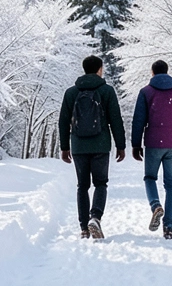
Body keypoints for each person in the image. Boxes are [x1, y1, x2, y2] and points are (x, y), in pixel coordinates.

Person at [58, 55, 125, 240]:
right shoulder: (107, 91)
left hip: (78, 145)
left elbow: (63, 122)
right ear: (99, 69)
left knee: (82, 186)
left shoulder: (71, 92)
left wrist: (64, 147)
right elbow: (115, 120)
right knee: (101, 183)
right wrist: (121, 146)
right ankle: (95, 217)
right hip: (101, 144)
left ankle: (83, 228)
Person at [130, 59, 172, 240]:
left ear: (152, 73)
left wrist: (136, 144)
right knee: (171, 184)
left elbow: (138, 120)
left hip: (153, 143)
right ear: (167, 72)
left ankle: (156, 205)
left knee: (150, 178)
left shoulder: (145, 92)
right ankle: (168, 228)